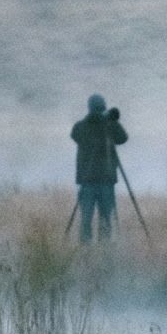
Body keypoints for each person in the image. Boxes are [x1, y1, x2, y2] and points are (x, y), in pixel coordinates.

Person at [70, 93, 127, 243]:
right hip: (90, 180)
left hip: (104, 180)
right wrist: (93, 120)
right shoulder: (81, 126)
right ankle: (87, 249)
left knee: (105, 219)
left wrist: (111, 122)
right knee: (87, 218)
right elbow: (75, 135)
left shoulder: (108, 125)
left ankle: (103, 249)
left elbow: (123, 138)